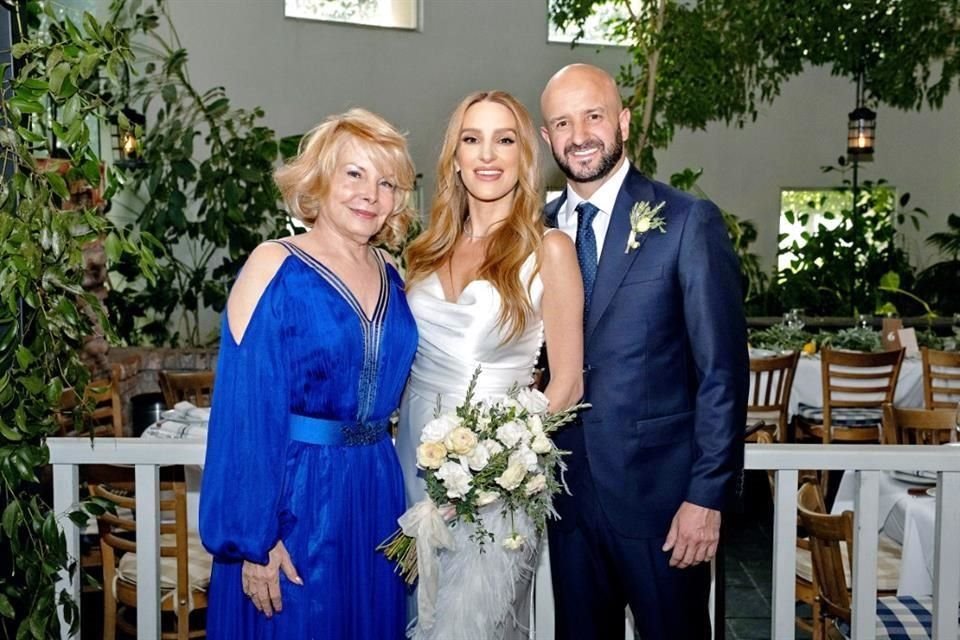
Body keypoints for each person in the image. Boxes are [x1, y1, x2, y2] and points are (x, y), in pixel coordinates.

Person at [540, 63, 749, 640]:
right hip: (565, 506)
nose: (579, 134)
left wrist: (705, 499)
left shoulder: (686, 222)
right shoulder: (533, 231)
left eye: (594, 116)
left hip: (663, 507)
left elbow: (722, 374)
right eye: (562, 121)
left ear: (624, 123)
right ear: (546, 138)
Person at [199, 108, 419, 639]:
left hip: (375, 493)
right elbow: (244, 412)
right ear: (319, 179)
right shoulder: (273, 264)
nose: (371, 192)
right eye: (354, 174)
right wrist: (255, 541)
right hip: (294, 503)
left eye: (386, 181)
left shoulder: (393, 274)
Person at [396, 90, 584, 640]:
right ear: (454, 157)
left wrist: (499, 467)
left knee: (477, 621)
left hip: (496, 476)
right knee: (418, 609)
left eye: (504, 140)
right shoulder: (425, 248)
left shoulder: (549, 249)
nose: (487, 154)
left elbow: (568, 381)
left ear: (523, 155)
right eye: (471, 139)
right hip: (411, 457)